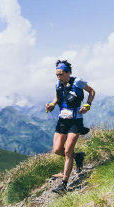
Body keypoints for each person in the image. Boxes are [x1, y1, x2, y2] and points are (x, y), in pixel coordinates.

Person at [45, 60, 95, 194]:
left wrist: (87, 104)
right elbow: (57, 96)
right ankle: (78, 156)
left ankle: (63, 184)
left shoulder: (77, 82)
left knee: (67, 151)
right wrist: (52, 104)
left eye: (61, 74)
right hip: (62, 121)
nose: (58, 77)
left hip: (75, 121)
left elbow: (92, 91)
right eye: (57, 74)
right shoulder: (58, 84)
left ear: (68, 73)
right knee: (57, 150)